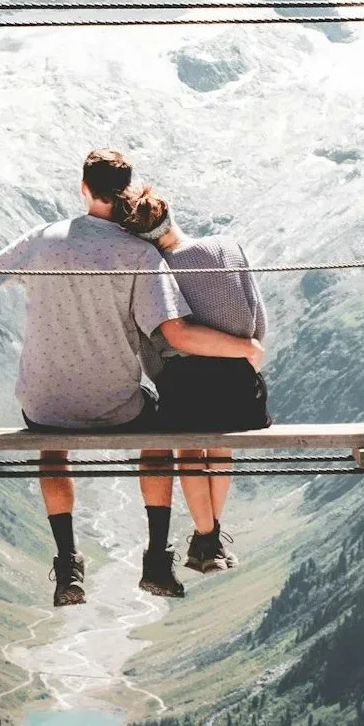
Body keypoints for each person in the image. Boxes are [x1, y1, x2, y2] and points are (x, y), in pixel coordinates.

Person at [0, 150, 265, 608]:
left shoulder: (45, 239)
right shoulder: (138, 254)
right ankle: (155, 560)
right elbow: (176, 332)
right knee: (160, 432)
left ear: (83, 187)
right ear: (126, 189)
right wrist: (245, 349)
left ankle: (68, 562)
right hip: (115, 405)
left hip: (43, 401)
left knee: (51, 443)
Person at [120, 187, 269, 573]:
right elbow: (258, 322)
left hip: (185, 387)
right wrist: (245, 355)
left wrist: (164, 376)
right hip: (240, 389)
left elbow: (154, 344)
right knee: (220, 447)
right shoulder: (227, 247)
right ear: (169, 212)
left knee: (189, 448)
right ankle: (209, 539)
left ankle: (207, 539)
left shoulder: (155, 271)